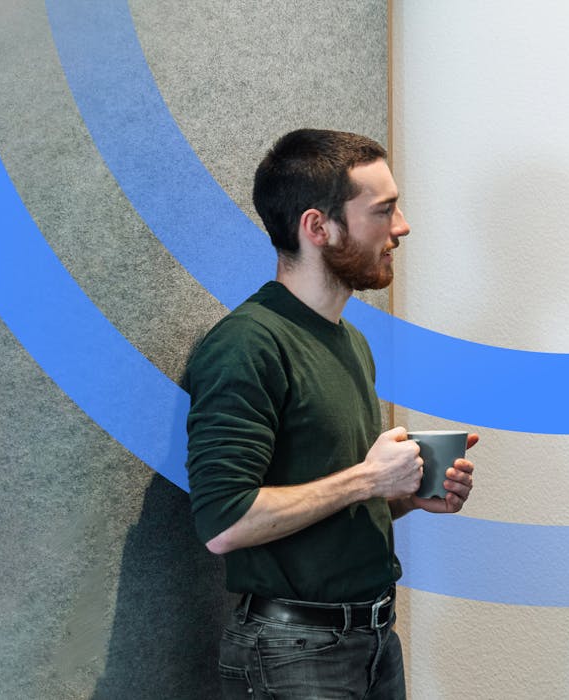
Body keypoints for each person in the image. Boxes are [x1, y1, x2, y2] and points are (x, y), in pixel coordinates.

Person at [183, 128, 476, 699]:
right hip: (290, 653)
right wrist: (369, 478)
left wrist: (406, 495)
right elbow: (223, 523)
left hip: (371, 640)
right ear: (319, 227)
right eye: (383, 211)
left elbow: (328, 499)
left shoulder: (351, 342)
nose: (401, 227)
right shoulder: (247, 344)